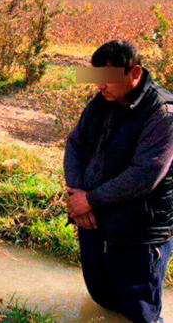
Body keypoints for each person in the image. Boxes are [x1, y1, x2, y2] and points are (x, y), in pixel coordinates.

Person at [64, 40, 173, 323]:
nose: (101, 85)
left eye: (109, 78)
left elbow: (145, 174)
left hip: (138, 230)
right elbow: (75, 143)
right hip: (95, 220)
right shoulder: (100, 103)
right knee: (103, 295)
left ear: (135, 73)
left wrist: (89, 199)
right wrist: (77, 193)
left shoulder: (162, 112)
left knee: (141, 312)